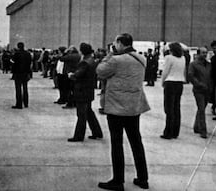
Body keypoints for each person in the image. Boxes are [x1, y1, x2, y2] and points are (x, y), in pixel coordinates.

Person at [96, 33, 150, 191]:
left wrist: (110, 54)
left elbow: (100, 71)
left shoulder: (115, 60)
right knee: (136, 142)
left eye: (115, 43)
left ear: (120, 43)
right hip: (134, 107)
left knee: (117, 143)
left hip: (117, 108)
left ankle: (118, 181)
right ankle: (143, 178)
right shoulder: (142, 59)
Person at [67, 43, 103, 142]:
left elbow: (78, 75)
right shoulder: (92, 61)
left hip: (81, 90)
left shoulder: (84, 62)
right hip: (89, 89)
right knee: (89, 112)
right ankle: (97, 132)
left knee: (81, 114)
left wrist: (71, 75)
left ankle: (79, 136)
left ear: (82, 51)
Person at [160, 42, 186, 140]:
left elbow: (165, 71)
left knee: (168, 108)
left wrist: (162, 82)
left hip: (170, 82)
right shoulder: (183, 58)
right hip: (179, 83)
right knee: (176, 107)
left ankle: (168, 132)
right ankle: (175, 131)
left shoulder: (169, 58)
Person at [187, 47, 213, 138]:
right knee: (201, 109)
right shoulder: (193, 64)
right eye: (203, 53)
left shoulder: (209, 65)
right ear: (198, 54)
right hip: (199, 90)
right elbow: (190, 76)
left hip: (207, 90)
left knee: (201, 108)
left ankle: (196, 126)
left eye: (206, 53)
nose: (205, 54)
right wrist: (199, 84)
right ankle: (203, 130)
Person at [11, 42, 32, 109]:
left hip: (18, 73)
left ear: (18, 47)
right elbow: (29, 63)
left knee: (18, 89)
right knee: (25, 88)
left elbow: (13, 62)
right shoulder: (28, 54)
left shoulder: (16, 54)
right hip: (25, 73)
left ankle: (19, 104)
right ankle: (26, 103)